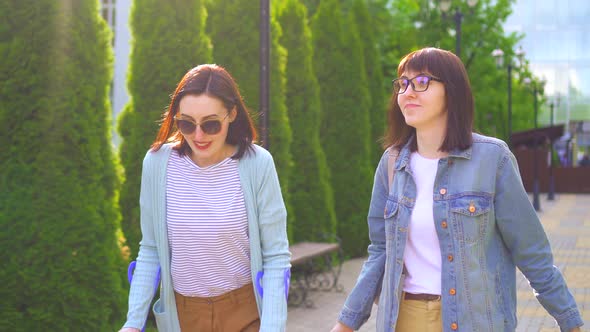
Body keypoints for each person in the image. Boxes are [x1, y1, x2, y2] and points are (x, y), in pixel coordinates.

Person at [331, 47, 583, 332]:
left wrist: (569, 322)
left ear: (451, 91)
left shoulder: (492, 159)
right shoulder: (391, 163)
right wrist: (345, 324)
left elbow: (532, 252)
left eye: (422, 82)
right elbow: (380, 252)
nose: (408, 92)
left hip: (473, 320)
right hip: (403, 319)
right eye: (402, 84)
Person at [119, 64, 291, 332]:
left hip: (245, 312)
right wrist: (133, 323)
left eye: (210, 124)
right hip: (184, 316)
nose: (198, 136)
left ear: (232, 114)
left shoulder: (257, 164)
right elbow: (151, 249)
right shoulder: (157, 164)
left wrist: (272, 327)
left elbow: (276, 256)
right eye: (186, 123)